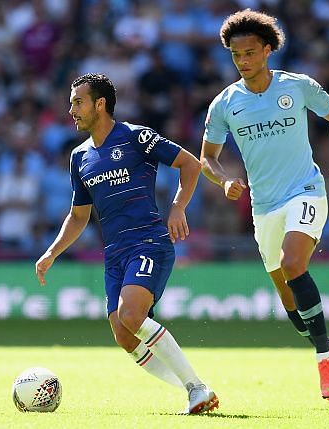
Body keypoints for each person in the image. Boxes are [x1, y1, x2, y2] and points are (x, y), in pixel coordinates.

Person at [35, 73, 218, 414]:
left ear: (99, 104)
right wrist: (51, 252)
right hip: (115, 252)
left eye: (78, 102)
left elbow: (189, 163)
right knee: (123, 334)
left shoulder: (136, 137)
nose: (71, 109)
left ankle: (196, 388)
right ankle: (195, 388)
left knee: (131, 315)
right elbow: (78, 217)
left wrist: (177, 207)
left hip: (148, 241)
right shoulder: (79, 157)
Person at [200, 9, 329, 401]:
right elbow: (207, 157)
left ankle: (323, 358)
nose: (244, 61)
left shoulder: (297, 86)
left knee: (293, 263)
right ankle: (327, 345)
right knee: (289, 299)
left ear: (268, 50)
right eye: (236, 55)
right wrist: (224, 180)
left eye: (250, 52)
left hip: (305, 190)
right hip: (263, 207)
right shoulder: (224, 104)